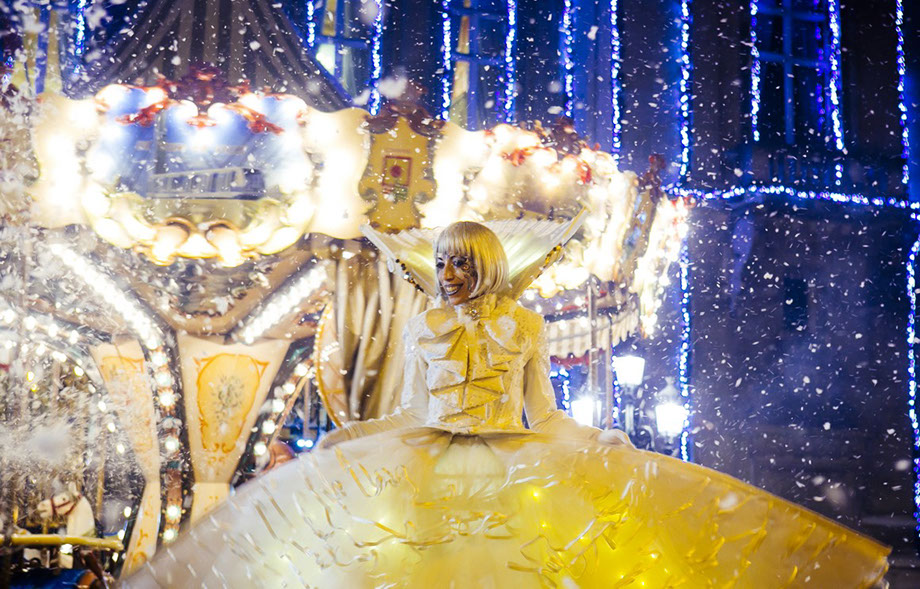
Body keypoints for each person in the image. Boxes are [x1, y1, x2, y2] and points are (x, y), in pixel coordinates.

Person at [126, 220, 888, 588]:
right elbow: (415, 407)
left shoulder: (523, 323)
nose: (450, 274)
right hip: (426, 458)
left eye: (462, 263)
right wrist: (352, 435)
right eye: (444, 263)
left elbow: (541, 409)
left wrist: (596, 439)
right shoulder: (426, 321)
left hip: (510, 463)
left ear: (484, 265)